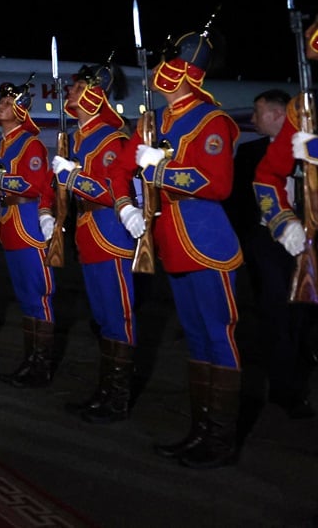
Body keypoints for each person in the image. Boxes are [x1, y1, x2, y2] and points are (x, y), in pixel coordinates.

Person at [107, 25, 243, 469]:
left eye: (167, 62)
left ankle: (219, 440)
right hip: (171, 244)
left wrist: (160, 170)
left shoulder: (211, 120)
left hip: (207, 243)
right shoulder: (153, 121)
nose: (157, 71)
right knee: (198, 340)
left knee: (217, 338)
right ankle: (200, 430)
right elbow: (120, 171)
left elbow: (217, 183)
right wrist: (127, 207)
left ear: (184, 70)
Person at [50, 62, 139, 423]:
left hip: (111, 233)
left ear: (93, 92)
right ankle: (105, 391)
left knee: (118, 318)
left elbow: (111, 191)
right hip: (89, 233)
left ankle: (117, 398)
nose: (69, 92)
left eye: (76, 87)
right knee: (102, 319)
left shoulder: (111, 137)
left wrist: (73, 178)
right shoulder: (81, 136)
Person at [0, 77, 57, 387]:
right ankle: (30, 361)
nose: (0, 105)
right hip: (11, 224)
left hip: (28, 221)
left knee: (38, 296)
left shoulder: (31, 143)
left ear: (21, 110)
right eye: (0, 102)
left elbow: (34, 184)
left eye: (6, 102)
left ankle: (42, 366)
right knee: (25, 298)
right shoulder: (0, 145)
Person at [249, 84, 317, 419]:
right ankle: (286, 388)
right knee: (285, 316)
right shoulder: (300, 112)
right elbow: (267, 177)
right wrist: (283, 223)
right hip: (286, 241)